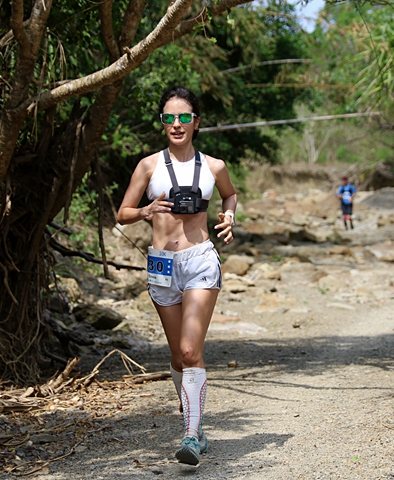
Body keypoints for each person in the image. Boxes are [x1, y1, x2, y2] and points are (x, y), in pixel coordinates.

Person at [117, 86, 237, 466]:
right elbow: (122, 213)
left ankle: (190, 436)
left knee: (190, 350)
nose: (176, 124)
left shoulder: (214, 166)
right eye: (168, 118)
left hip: (201, 260)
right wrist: (146, 209)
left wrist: (229, 217)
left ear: (196, 123)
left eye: (184, 117)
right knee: (176, 355)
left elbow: (229, 196)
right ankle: (195, 423)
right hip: (161, 266)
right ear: (162, 124)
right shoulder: (148, 166)